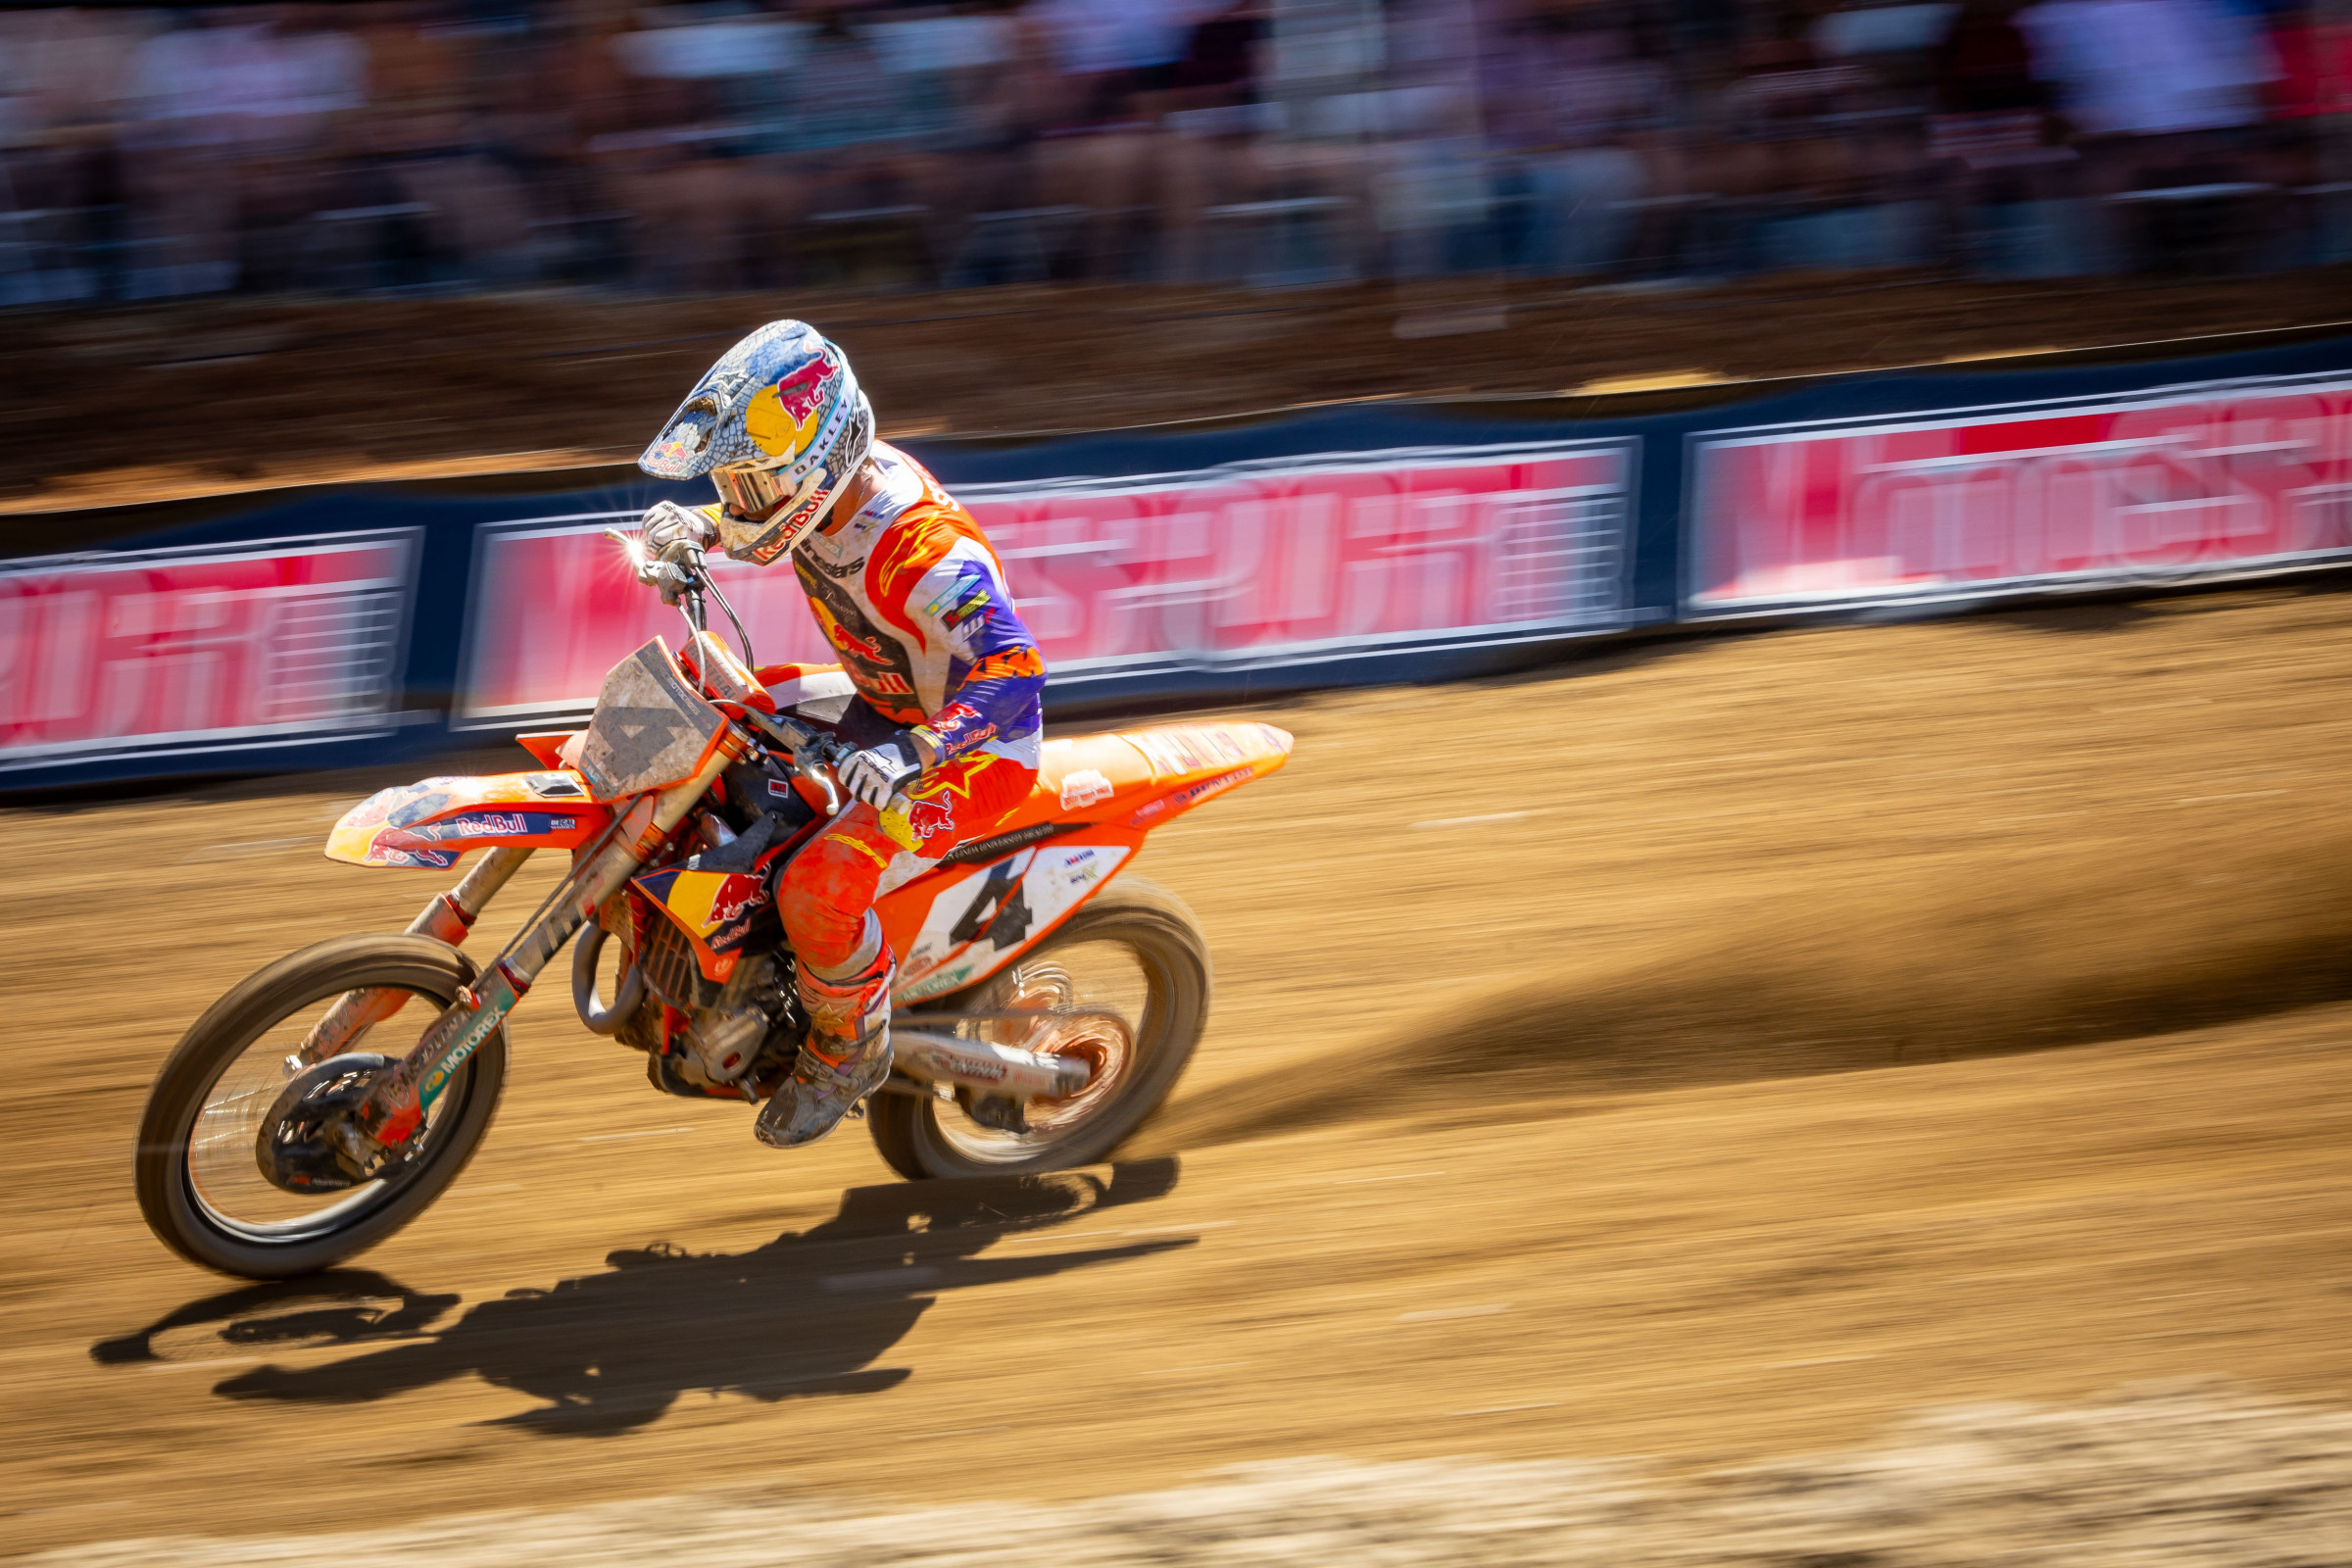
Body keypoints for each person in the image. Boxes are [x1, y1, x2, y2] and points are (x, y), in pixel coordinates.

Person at [631, 320, 1048, 1148]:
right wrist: (706, 530)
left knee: (816, 883)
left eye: (748, 486)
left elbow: (1019, 668)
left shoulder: (923, 552)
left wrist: (915, 750)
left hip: (970, 750)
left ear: (816, 467)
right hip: (881, 704)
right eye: (731, 485)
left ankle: (848, 1048)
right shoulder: (830, 486)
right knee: (723, 722)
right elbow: (766, 519)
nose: (738, 501)